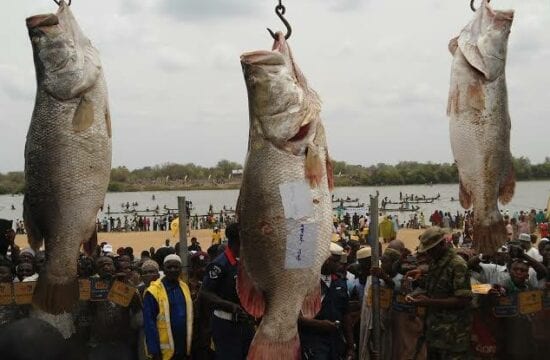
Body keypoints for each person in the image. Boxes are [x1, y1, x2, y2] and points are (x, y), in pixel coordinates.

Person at [406, 227, 472, 360]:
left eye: (431, 249)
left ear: (442, 245)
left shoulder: (457, 265)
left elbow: (463, 300)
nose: (428, 253)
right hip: (435, 333)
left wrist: (428, 302)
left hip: (453, 337)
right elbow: (437, 288)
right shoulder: (436, 262)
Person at [200, 223, 255, 359]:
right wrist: (229, 305)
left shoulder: (245, 262)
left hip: (246, 324)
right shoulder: (219, 264)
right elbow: (205, 293)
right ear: (236, 241)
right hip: (226, 325)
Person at [300, 242, 355, 360]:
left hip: (335, 342)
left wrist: (350, 347)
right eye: (335, 261)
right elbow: (295, 317)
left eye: (339, 261)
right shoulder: (307, 283)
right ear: (325, 260)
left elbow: (346, 314)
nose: (339, 265)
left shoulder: (340, 282)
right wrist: (320, 324)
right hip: (313, 342)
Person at [143, 254, 193, 360]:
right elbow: (149, 324)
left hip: (184, 349)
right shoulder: (153, 291)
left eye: (176, 267)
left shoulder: (184, 287)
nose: (172, 270)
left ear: (181, 269)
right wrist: (154, 352)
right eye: (169, 267)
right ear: (163, 270)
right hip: (164, 352)